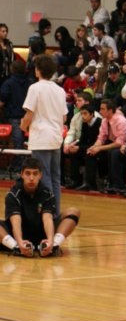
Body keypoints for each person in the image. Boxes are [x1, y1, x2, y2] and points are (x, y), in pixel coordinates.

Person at [0, 158, 79, 257]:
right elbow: (16, 221)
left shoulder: (47, 193)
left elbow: (47, 218)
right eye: (28, 173)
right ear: (22, 174)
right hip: (17, 235)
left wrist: (50, 240)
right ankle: (16, 248)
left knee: (73, 211)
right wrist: (19, 242)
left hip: (42, 234)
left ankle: (53, 245)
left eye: (35, 174)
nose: (31, 178)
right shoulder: (13, 194)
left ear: (40, 175)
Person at [20, 54, 67, 213]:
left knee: (44, 177)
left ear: (38, 70)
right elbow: (64, 117)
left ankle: (47, 213)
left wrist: (23, 126)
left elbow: (29, 113)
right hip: (56, 137)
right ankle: (55, 212)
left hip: (41, 138)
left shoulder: (35, 88)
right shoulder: (60, 90)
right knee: (55, 178)